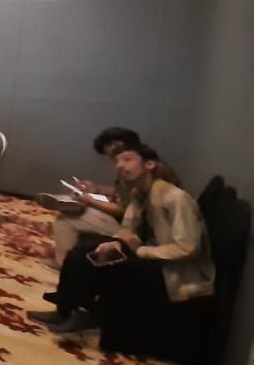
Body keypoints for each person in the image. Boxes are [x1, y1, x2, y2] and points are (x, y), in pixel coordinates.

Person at [28, 145, 215, 342]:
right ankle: (65, 310)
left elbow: (187, 247)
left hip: (174, 273)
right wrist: (117, 243)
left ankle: (89, 316)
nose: (119, 166)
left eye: (127, 160)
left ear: (149, 164)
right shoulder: (140, 194)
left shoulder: (176, 198)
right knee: (81, 253)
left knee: (104, 266)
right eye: (117, 161)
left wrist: (140, 250)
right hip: (151, 255)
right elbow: (128, 227)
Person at [42, 127, 141, 268]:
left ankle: (65, 265)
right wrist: (97, 188)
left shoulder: (136, 171)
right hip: (132, 223)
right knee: (80, 209)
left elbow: (123, 210)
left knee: (65, 218)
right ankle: (74, 254)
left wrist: (90, 200)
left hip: (134, 230)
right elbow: (121, 192)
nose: (115, 161)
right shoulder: (139, 163)